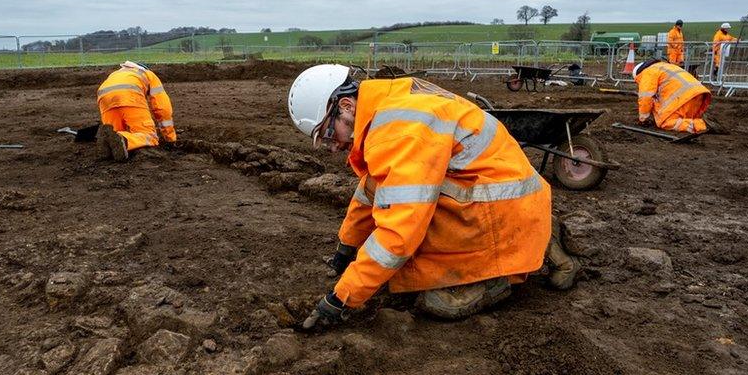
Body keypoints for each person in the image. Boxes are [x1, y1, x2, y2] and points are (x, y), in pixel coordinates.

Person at [286, 64, 580, 331]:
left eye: (327, 134)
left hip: (502, 209)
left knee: (434, 294)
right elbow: (372, 188)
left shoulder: (398, 131)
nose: (332, 147)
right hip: (508, 197)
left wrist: (342, 298)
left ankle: (495, 277)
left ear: (346, 106)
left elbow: (399, 233)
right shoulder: (390, 104)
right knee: (403, 200)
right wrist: (346, 247)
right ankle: (537, 232)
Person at [95, 61, 176, 161]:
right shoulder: (148, 74)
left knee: (114, 134)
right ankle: (126, 139)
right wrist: (170, 137)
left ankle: (108, 145)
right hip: (130, 96)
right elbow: (162, 108)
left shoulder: (116, 74)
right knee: (149, 136)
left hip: (104, 99)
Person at [634, 58, 722, 134]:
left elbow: (646, 97)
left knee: (665, 122)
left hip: (684, 99)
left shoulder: (648, 72)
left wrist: (643, 118)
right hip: (698, 95)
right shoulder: (665, 66)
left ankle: (701, 125)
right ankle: (698, 121)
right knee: (682, 118)